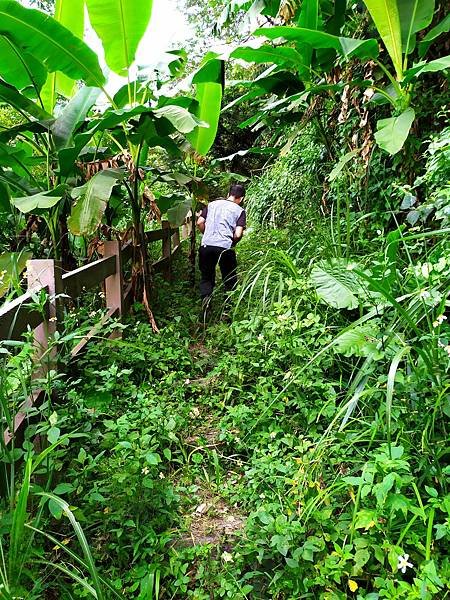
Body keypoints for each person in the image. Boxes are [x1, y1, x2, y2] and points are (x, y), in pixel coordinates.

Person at [197, 184, 246, 309]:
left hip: (206, 245)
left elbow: (200, 222)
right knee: (229, 277)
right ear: (241, 199)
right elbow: (238, 233)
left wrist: (206, 234)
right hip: (225, 246)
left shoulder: (212, 205)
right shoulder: (239, 210)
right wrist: (233, 241)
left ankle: (206, 301)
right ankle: (227, 309)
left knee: (206, 276)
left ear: (228, 195)